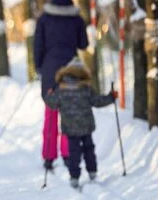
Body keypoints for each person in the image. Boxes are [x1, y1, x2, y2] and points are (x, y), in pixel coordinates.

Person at [34, 0, 89, 171]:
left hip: (50, 69)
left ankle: (49, 157)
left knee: (51, 113)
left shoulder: (44, 18)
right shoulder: (76, 17)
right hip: (71, 69)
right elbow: (84, 44)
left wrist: (39, 67)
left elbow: (38, 46)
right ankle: (68, 155)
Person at [42, 57, 116, 188]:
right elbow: (97, 101)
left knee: (73, 151)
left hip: (70, 127)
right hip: (86, 125)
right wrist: (111, 97)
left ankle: (74, 176)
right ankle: (92, 171)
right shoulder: (86, 88)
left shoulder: (61, 89)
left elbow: (52, 104)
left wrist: (48, 95)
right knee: (89, 148)